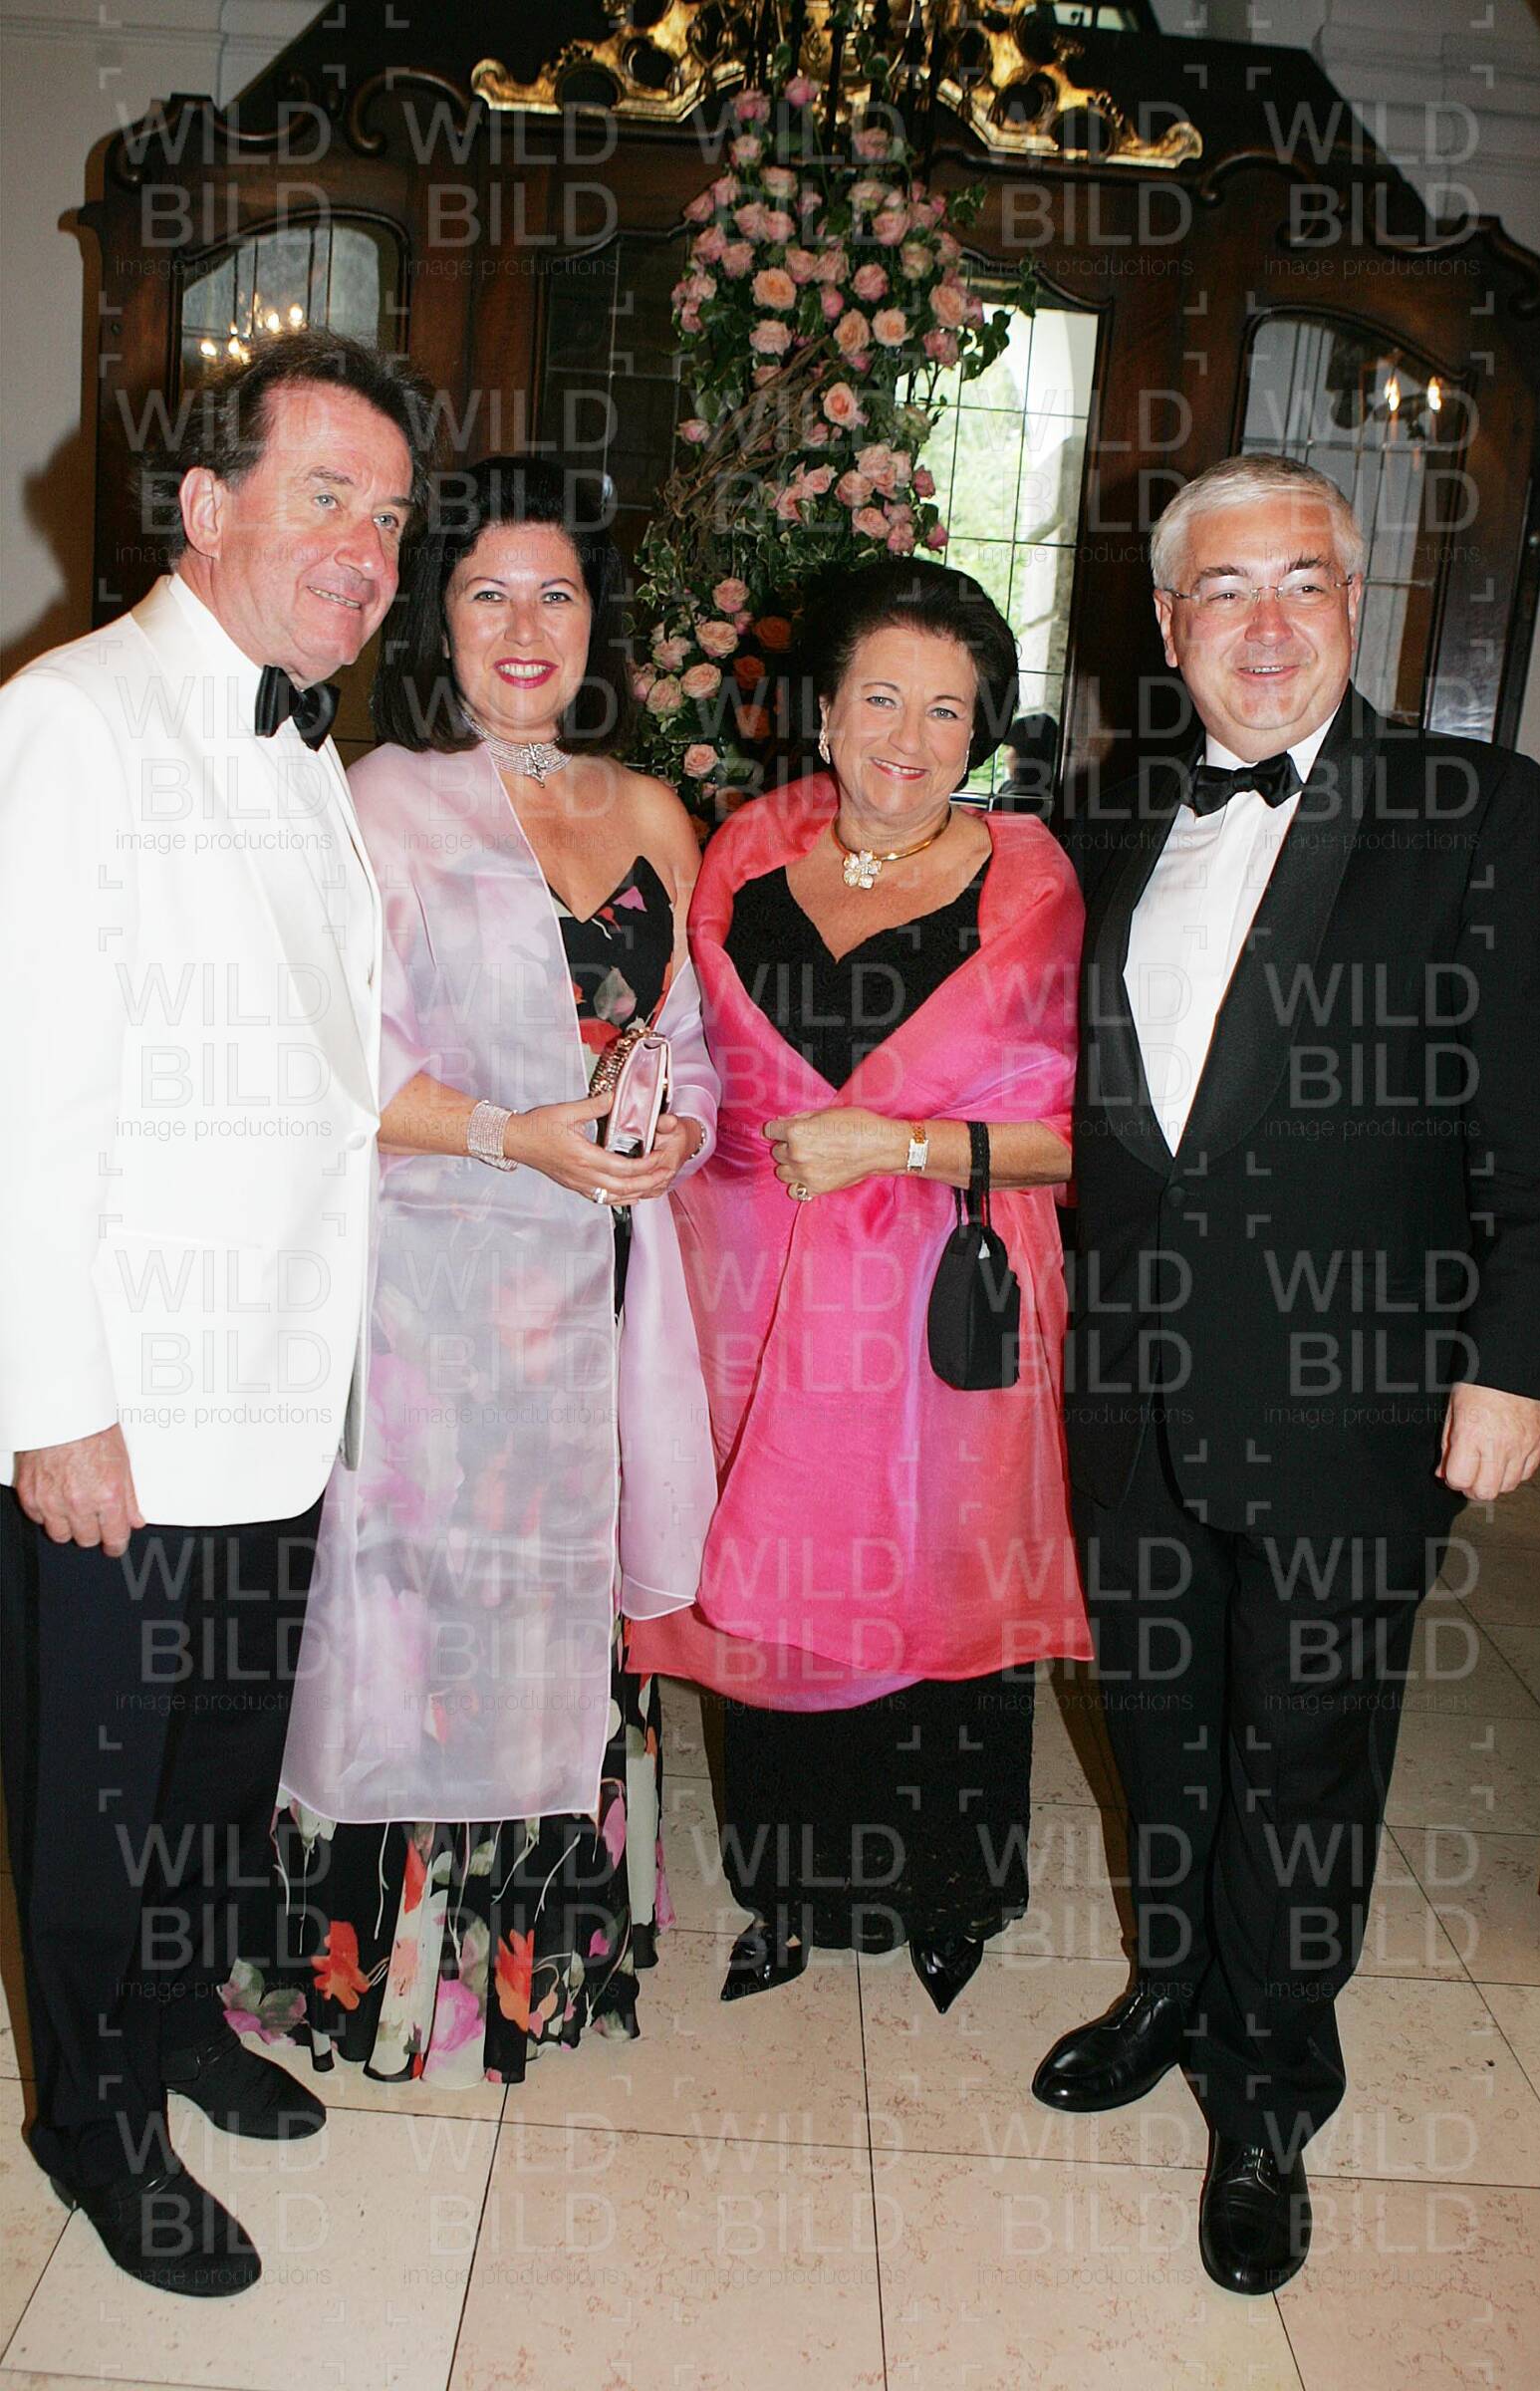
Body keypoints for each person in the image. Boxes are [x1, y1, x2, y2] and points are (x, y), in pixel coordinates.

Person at [1040, 452, 1540, 2294]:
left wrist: (1513, 1364)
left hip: (1358, 1387)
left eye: (1302, 584)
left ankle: (1270, 2082)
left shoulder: (1475, 808)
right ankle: (1171, 1988)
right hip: (1133, 1384)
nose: (1264, 625)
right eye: (1223, 589)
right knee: (1158, 1725)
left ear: (1355, 607)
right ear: (1166, 621)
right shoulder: (1114, 818)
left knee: (1304, 1748)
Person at [0, 330, 432, 2293]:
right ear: (204, 503)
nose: (368, 550)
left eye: (391, 518)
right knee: (95, 1795)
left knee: (213, 1767)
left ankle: (178, 2024)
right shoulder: (75, 723)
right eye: (326, 496)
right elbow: (26, 1096)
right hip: (127, 1402)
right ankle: (92, 2117)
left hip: (274, 1390)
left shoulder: (301, 745)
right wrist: (54, 1403)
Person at [261, 454, 718, 2088]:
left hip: (603, 1298)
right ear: (435, 620)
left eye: (557, 594)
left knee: (561, 1609)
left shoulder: (650, 812)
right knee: (417, 1615)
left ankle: (539, 1966)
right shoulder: (375, 800)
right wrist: (515, 1137)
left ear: (599, 621)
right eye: (487, 594)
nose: (525, 628)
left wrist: (675, 1131)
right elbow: (328, 1066)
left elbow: (689, 1047)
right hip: (433, 1302)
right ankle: (387, 1979)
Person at [629, 559, 1091, 2014]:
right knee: (779, 1578)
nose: (908, 737)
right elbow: (697, 1062)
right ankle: (792, 1886)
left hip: (947, 1300)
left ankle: (947, 1888)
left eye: (946, 711)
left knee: (942, 1575)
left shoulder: (1032, 891)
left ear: (982, 734)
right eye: (880, 698)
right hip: (754, 1285)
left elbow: (1084, 1136)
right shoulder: (741, 861)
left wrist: (894, 1143)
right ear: (822, 712)